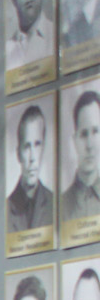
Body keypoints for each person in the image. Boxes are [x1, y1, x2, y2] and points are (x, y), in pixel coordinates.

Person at [7, 106, 55, 232]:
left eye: (37, 144)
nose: (32, 157)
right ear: (18, 154)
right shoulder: (5, 210)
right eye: (27, 147)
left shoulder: (56, 205)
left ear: (43, 148)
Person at [66, 92, 100, 225]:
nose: (89, 145)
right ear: (75, 141)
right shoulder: (60, 205)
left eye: (95, 131)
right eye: (84, 134)